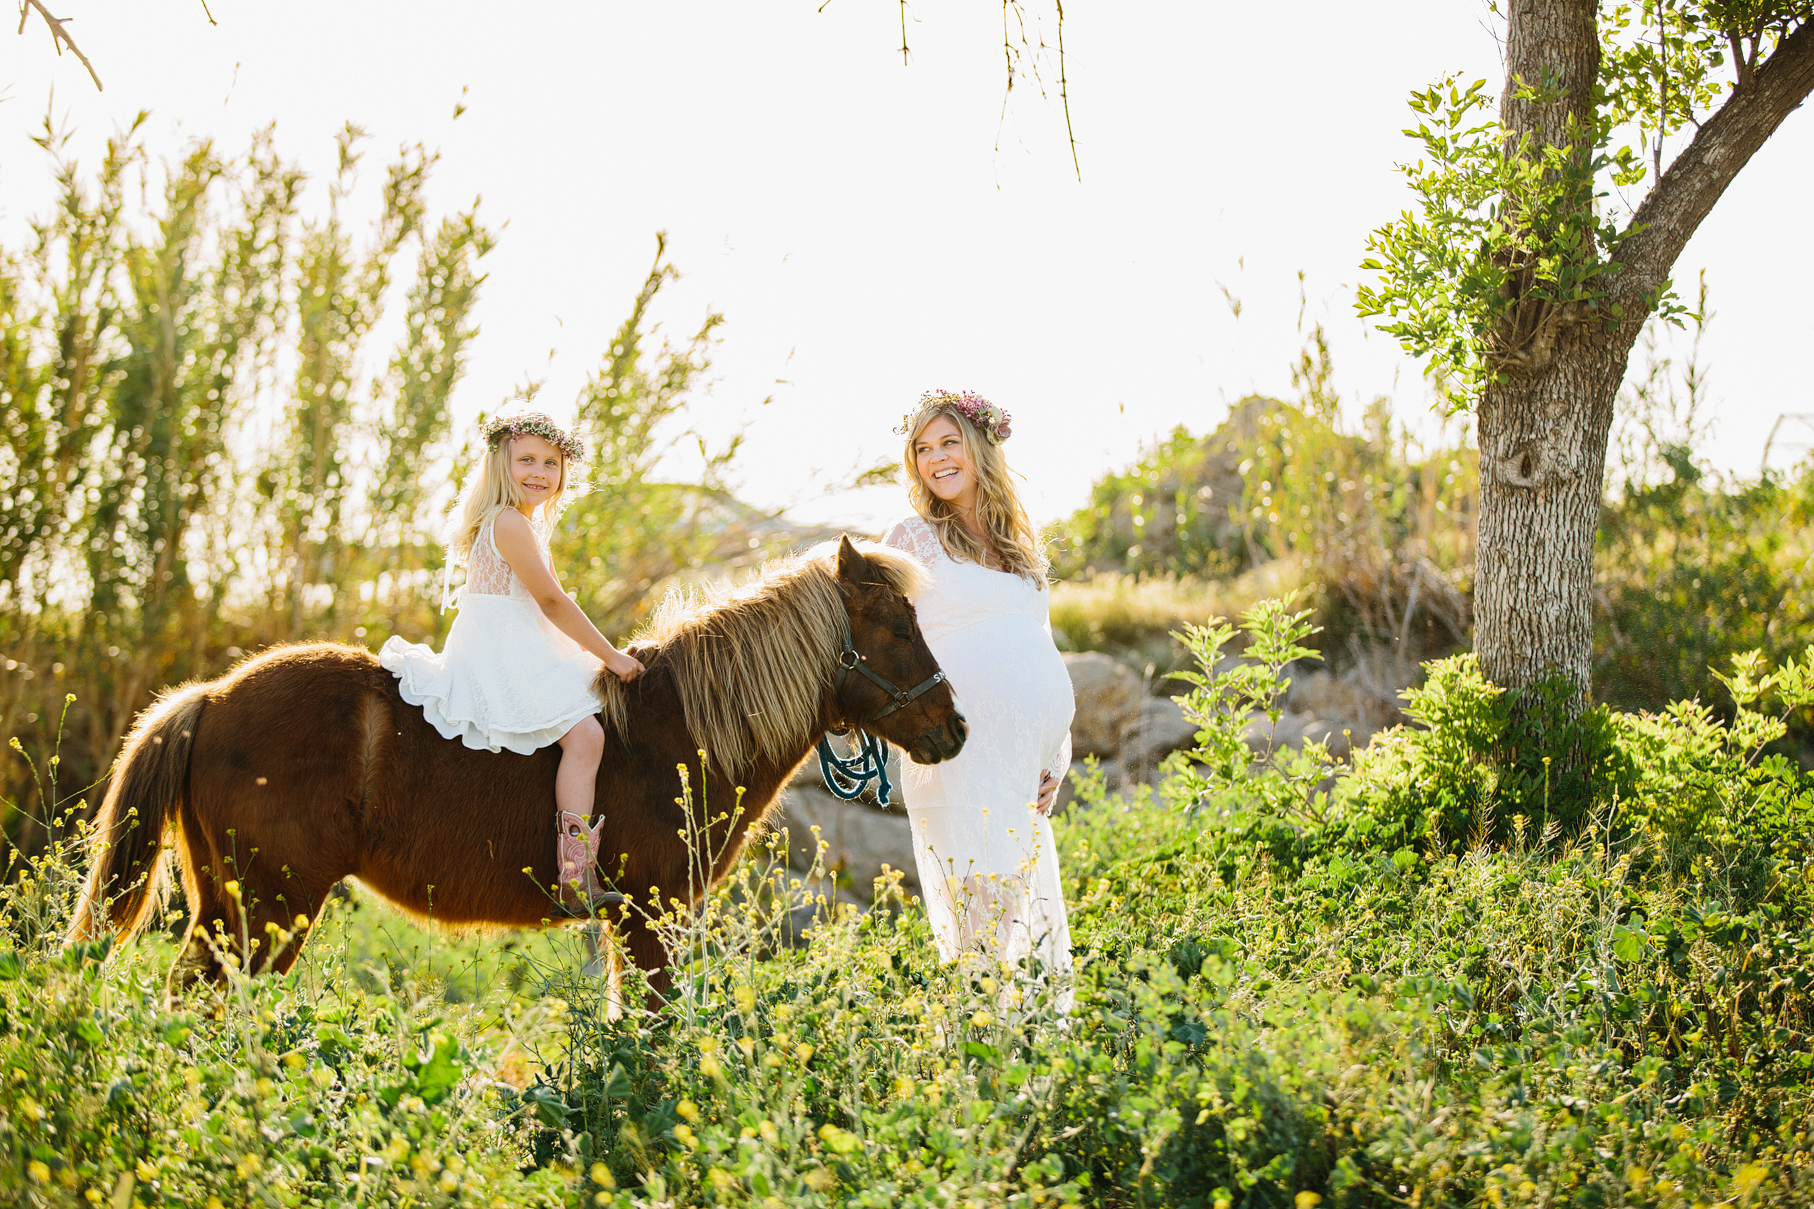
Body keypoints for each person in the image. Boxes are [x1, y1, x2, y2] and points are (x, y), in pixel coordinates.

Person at [379, 411, 644, 911]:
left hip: (521, 642)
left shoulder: (517, 521)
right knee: (586, 737)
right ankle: (574, 875)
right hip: (502, 652)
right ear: (499, 463)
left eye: (551, 462)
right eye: (526, 460)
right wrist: (609, 655)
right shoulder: (509, 523)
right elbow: (551, 602)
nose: (539, 472)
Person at [882, 389, 1074, 1005]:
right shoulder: (910, 538)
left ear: (979, 446)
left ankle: (1003, 1047)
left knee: (1011, 903)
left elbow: (1038, 645)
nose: (936, 459)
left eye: (948, 442)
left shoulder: (1018, 541)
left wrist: (1056, 756)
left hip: (1023, 762)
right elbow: (873, 635)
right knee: (979, 913)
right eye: (922, 449)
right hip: (958, 749)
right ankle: (971, 1044)